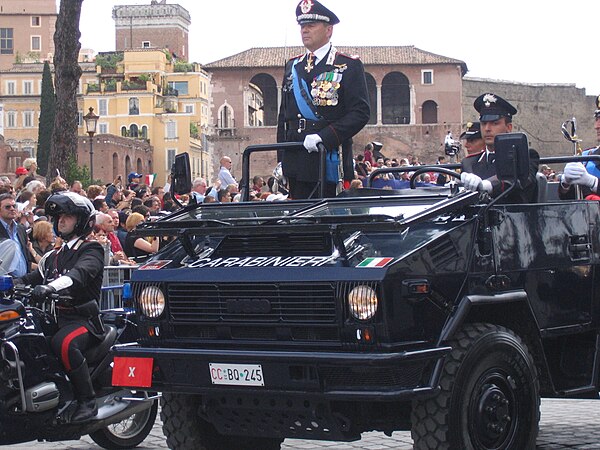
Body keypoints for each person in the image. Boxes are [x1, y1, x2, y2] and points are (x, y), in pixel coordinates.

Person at [16, 192, 104, 423]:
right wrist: (8, 282)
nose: (61, 221)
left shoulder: (91, 249)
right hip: (55, 319)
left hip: (82, 321)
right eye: (59, 217)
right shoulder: (55, 255)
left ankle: (88, 401)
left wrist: (50, 288)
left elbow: (80, 274)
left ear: (82, 220)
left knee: (62, 344)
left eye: (68, 216)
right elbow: (32, 278)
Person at [276, 0, 370, 199]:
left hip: (328, 153)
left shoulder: (347, 65)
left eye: (311, 25)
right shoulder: (293, 66)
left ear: (329, 30)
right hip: (296, 154)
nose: (305, 30)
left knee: (329, 221)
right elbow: (284, 117)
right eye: (302, 26)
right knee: (299, 221)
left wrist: (325, 137)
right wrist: (281, 158)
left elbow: (360, 112)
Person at [460, 93, 539, 203]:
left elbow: (519, 180)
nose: (487, 128)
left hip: (512, 217)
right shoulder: (469, 163)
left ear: (508, 127)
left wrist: (488, 185)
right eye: (483, 123)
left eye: (494, 123)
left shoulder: (525, 156)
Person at [559, 95, 600, 199]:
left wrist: (594, 183)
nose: (597, 126)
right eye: (597, 119)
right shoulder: (587, 157)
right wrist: (566, 184)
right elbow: (571, 201)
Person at [0, 193, 32, 277]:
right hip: (4, 282)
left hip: (24, 282)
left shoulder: (21, 229)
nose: (12, 209)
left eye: (14, 206)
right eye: (8, 207)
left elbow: (26, 257)